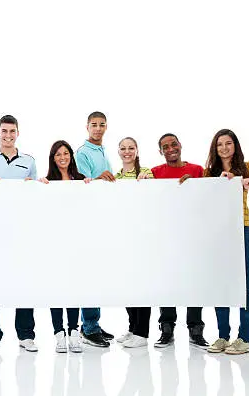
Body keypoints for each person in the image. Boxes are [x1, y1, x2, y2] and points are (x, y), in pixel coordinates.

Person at [203, 129, 249, 355]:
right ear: (215, 149)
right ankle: (223, 336)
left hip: (240, 230)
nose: (224, 148)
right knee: (220, 284)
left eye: (228, 143)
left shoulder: (247, 166)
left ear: (235, 145)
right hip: (218, 234)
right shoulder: (210, 172)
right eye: (219, 145)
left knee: (244, 284)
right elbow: (202, 199)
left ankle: (244, 338)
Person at [0, 114, 38, 353]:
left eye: (12, 131)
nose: (8, 135)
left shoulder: (29, 161)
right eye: (4, 131)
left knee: (23, 281)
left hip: (21, 230)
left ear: (17, 133)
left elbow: (34, 196)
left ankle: (26, 334)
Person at [151, 133, 209, 349]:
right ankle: (166, 327)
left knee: (194, 280)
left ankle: (195, 328)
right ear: (161, 151)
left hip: (192, 234)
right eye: (165, 146)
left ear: (180, 145)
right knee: (167, 280)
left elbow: (206, 197)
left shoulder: (197, 170)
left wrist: (196, 186)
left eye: (173, 144)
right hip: (165, 235)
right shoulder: (155, 173)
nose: (170, 148)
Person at [39, 140, 91, 353]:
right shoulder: (47, 182)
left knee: (73, 288)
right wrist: (37, 187)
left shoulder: (80, 180)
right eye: (58, 154)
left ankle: (74, 332)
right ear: (53, 158)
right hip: (53, 243)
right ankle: (58, 333)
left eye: (66, 153)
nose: (62, 157)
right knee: (55, 288)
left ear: (71, 156)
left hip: (75, 243)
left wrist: (90, 186)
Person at [74, 111, 115, 347]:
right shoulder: (83, 153)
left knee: (98, 274)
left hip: (101, 220)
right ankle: (88, 328)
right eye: (94, 125)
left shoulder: (103, 152)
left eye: (102, 125)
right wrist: (100, 177)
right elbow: (85, 186)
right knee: (89, 274)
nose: (98, 129)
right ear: (87, 127)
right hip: (87, 222)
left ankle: (94, 323)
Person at [113, 137, 154, 348]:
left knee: (142, 285)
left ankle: (142, 332)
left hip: (143, 237)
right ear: (118, 152)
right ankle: (131, 328)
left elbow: (155, 197)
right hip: (124, 236)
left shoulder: (146, 173)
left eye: (131, 148)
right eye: (123, 148)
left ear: (137, 151)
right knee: (127, 284)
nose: (127, 151)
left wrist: (148, 182)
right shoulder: (117, 176)